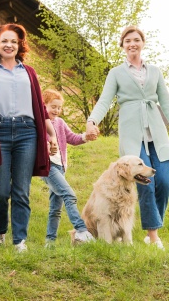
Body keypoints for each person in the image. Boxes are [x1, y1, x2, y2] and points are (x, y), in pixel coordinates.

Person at [86, 25, 169, 250]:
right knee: (146, 183)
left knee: (164, 180)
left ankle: (154, 225)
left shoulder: (155, 71)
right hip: (133, 136)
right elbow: (105, 100)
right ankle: (153, 237)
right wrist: (92, 121)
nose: (132, 44)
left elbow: (167, 102)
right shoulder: (116, 73)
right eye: (127, 41)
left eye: (136, 40)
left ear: (142, 43)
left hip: (158, 134)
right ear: (123, 46)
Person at [0, 23, 58, 253]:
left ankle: (19, 241)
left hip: (27, 132)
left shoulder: (29, 72)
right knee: (1, 190)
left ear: (19, 45)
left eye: (14, 41)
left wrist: (51, 135)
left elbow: (39, 107)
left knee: (21, 190)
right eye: (4, 41)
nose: (9, 45)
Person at [41, 89, 97, 247]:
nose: (56, 110)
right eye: (53, 106)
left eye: (59, 107)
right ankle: (81, 230)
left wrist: (86, 136)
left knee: (55, 208)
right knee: (69, 194)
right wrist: (44, 145)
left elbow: (72, 137)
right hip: (47, 166)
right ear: (43, 105)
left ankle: (49, 242)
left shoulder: (60, 123)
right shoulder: (39, 123)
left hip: (60, 167)